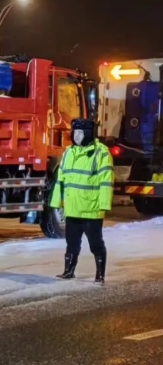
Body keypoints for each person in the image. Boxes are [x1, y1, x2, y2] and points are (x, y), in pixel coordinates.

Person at [50, 118, 114, 283]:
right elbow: (61, 180)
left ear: (88, 133)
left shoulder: (101, 153)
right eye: (75, 132)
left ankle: (100, 275)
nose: (77, 136)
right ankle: (68, 271)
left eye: (80, 132)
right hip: (72, 209)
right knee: (71, 243)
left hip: (91, 209)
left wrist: (103, 205)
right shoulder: (68, 152)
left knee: (95, 244)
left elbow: (106, 181)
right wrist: (57, 203)